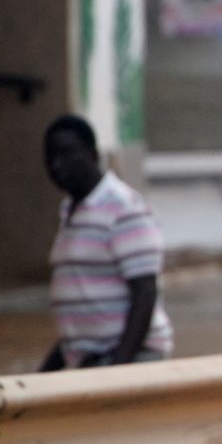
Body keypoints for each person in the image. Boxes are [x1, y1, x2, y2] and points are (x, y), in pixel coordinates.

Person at [40, 114, 173, 370]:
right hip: (89, 360)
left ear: (92, 155)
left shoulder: (123, 208)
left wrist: (117, 370)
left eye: (67, 154)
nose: (58, 165)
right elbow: (83, 299)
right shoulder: (69, 210)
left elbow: (145, 292)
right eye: (51, 157)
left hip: (129, 359)